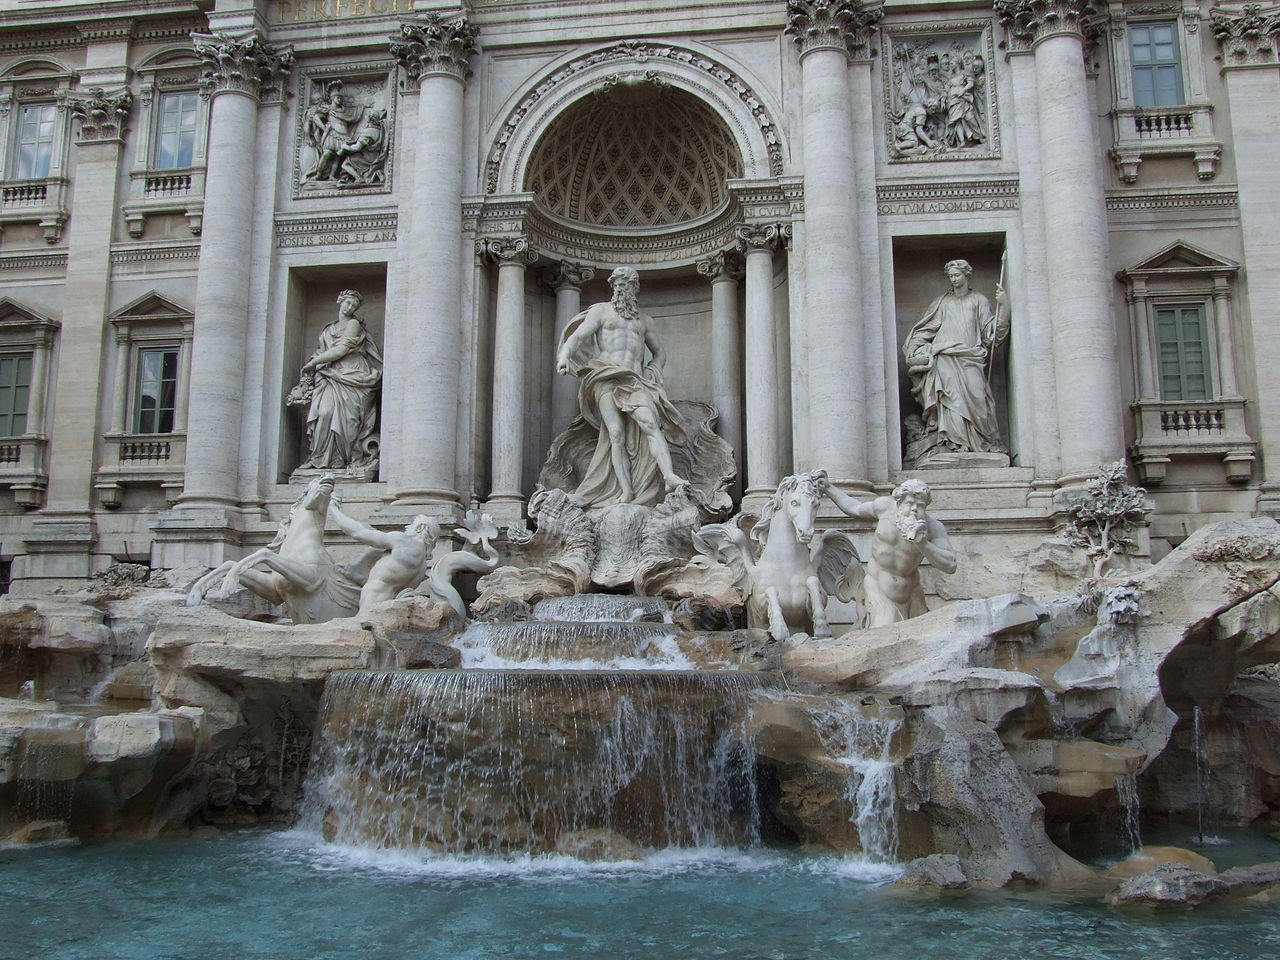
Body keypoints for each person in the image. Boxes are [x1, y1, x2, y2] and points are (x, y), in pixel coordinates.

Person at [555, 267, 688, 507]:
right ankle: (626, 491)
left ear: (634, 288)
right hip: (605, 376)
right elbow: (577, 338)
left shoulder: (645, 321)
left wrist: (653, 368)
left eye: (625, 284)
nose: (619, 288)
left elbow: (659, 352)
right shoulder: (600, 312)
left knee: (650, 423)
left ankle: (669, 477)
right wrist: (564, 356)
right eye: (616, 284)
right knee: (615, 434)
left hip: (634, 380)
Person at [903, 259, 1008, 455]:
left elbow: (992, 335)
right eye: (950, 276)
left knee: (979, 399)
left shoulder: (979, 300)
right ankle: (953, 443)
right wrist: (914, 348)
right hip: (944, 356)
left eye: (957, 275)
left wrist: (1004, 307)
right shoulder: (943, 302)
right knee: (950, 400)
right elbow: (926, 329)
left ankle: (981, 441)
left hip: (971, 357)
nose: (953, 279)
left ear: (966, 275)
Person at [821, 477, 957, 628]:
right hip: (878, 589)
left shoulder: (933, 528)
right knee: (883, 633)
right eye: (909, 503)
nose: (914, 509)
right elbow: (854, 508)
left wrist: (923, 544)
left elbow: (950, 565)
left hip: (911, 594)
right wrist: (828, 487)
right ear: (899, 503)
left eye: (920, 505)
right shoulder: (884, 507)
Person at [296, 289, 383, 470]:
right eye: (348, 302)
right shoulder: (328, 328)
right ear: (339, 301)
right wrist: (315, 362)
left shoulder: (353, 325)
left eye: (354, 305)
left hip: (352, 372)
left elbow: (341, 350)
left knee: (349, 420)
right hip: (330, 375)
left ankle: (343, 459)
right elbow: (322, 350)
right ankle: (319, 458)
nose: (350, 307)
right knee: (325, 413)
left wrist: (314, 364)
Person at [326, 503, 439, 615]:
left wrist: (333, 508)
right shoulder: (423, 564)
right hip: (389, 610)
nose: (407, 529)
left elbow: (358, 532)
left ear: (419, 528)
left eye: (411, 526)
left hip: (372, 606)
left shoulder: (405, 542)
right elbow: (388, 581)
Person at [303, 82, 362, 183]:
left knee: (338, 157)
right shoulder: (328, 108)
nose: (340, 100)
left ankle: (332, 175)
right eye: (338, 98)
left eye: (340, 98)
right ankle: (318, 174)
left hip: (343, 135)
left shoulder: (343, 110)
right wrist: (324, 127)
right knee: (327, 154)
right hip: (332, 134)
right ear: (332, 98)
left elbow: (353, 117)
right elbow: (316, 118)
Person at [335, 109, 388, 186]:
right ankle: (374, 172)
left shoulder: (367, 132)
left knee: (346, 163)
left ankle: (359, 178)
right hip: (376, 156)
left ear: (369, 119)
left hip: (368, 158)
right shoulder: (380, 130)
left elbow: (357, 148)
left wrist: (345, 147)